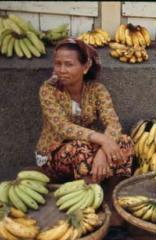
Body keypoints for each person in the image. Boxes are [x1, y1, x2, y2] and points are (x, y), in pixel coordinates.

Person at [35, 38, 133, 224]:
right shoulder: (48, 91)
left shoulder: (97, 90)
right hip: (54, 153)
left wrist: (104, 152)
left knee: (124, 142)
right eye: (58, 64)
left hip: (89, 147)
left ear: (85, 66)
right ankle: (87, 210)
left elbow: (113, 123)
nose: (61, 70)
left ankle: (112, 200)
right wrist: (102, 140)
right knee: (82, 149)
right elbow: (62, 127)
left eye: (69, 64)